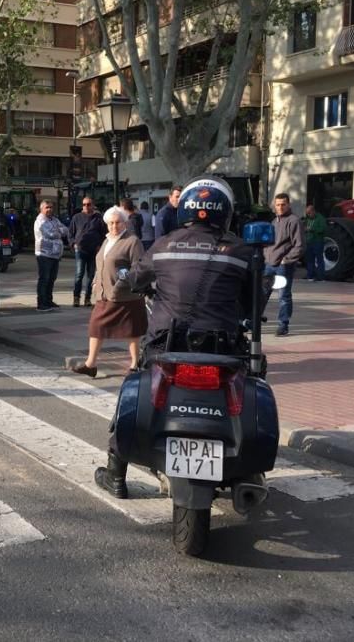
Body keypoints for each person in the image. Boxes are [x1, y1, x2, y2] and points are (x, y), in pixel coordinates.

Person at [94, 177, 253, 498]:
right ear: (225, 211)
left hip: (166, 344)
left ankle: (116, 472)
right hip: (223, 345)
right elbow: (254, 302)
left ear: (186, 209)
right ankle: (249, 470)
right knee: (251, 383)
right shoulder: (240, 250)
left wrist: (132, 282)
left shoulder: (164, 245)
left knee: (134, 387)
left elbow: (135, 278)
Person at [71, 207, 147, 378]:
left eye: (118, 222)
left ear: (124, 223)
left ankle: (135, 364)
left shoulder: (132, 241)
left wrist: (120, 285)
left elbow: (137, 268)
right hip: (105, 295)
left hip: (126, 296)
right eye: (111, 223)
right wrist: (97, 280)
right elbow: (102, 262)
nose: (114, 226)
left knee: (132, 330)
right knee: (95, 326)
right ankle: (90, 365)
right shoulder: (107, 240)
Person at [263, 192, 305, 337]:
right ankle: (253, 321)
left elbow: (299, 245)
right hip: (269, 264)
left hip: (283, 266)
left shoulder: (294, 221)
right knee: (262, 294)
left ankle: (283, 325)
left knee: (283, 296)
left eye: (283, 204)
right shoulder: (274, 222)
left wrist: (286, 260)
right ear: (274, 206)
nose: (280, 207)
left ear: (288, 205)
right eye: (278, 204)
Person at [68, 197, 106, 307]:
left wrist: (100, 246)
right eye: (84, 204)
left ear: (93, 205)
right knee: (79, 274)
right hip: (80, 250)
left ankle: (87, 298)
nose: (86, 206)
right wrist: (73, 244)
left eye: (88, 204)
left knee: (90, 275)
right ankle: (76, 298)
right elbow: (70, 233)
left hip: (94, 250)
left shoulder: (99, 218)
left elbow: (104, 234)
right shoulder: (76, 217)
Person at [34, 200, 68, 311]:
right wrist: (58, 231)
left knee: (52, 279)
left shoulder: (54, 220)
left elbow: (65, 230)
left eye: (51, 207)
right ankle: (41, 303)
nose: (49, 209)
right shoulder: (40, 221)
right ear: (41, 209)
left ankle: (48, 300)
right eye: (47, 207)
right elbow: (50, 234)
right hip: (44, 254)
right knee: (44, 278)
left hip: (55, 254)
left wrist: (58, 231)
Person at [303, 204, 327, 281]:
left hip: (318, 241)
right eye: (307, 213)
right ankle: (310, 275)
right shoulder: (307, 219)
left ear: (313, 211)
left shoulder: (320, 218)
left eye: (309, 213)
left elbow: (322, 229)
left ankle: (321, 277)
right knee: (310, 259)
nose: (308, 215)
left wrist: (312, 229)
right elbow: (305, 226)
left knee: (319, 259)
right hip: (309, 241)